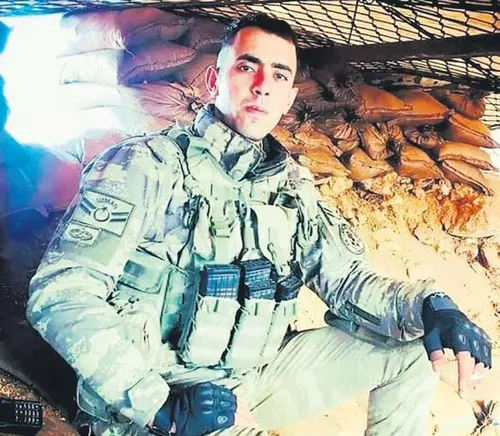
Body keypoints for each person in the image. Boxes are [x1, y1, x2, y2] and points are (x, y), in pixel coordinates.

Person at [27, 12, 492, 436]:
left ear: (289, 98)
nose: (262, 86)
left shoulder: (292, 186)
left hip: (250, 381)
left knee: (414, 349)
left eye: (280, 75)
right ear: (214, 79)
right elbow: (61, 291)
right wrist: (160, 406)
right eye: (247, 67)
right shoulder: (147, 165)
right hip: (160, 403)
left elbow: (348, 281)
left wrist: (432, 307)